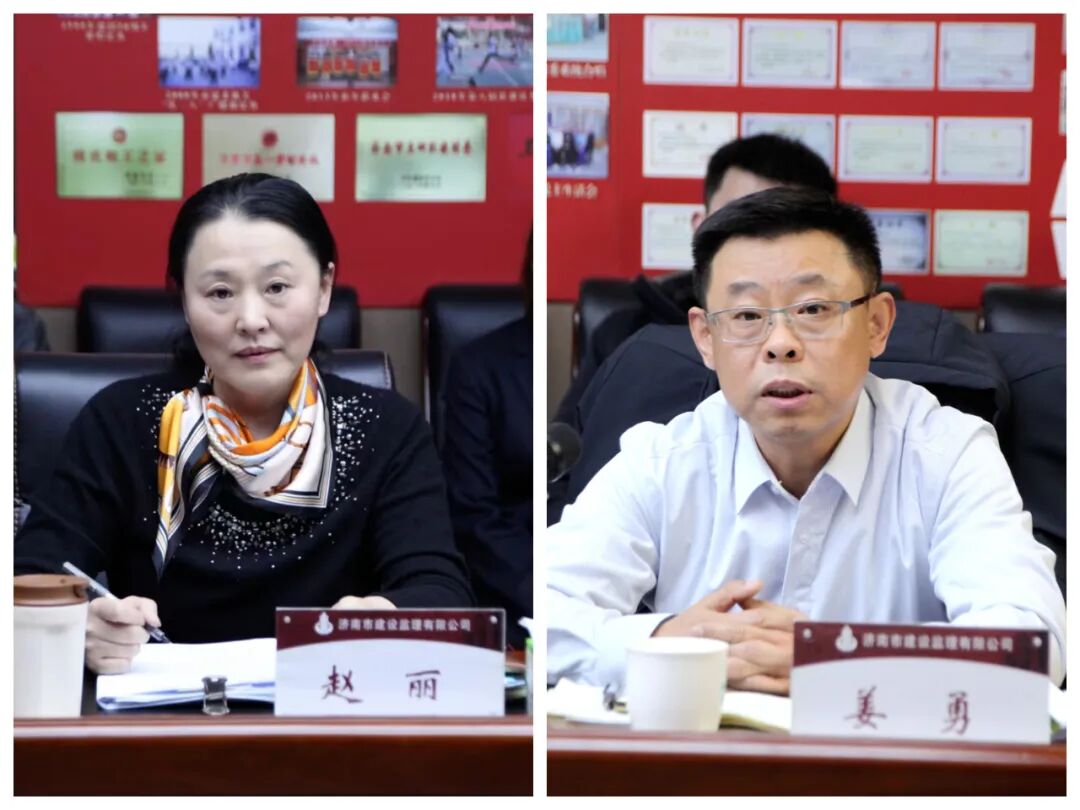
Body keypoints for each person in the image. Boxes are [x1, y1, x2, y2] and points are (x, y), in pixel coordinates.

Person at [546, 187, 1065, 693]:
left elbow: (1032, 648)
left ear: (876, 325)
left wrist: (835, 660)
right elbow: (547, 618)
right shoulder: (663, 461)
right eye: (747, 316)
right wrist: (670, 644)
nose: (780, 344)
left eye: (814, 310)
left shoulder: (946, 454)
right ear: (706, 338)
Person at [14, 173, 474, 673]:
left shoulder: (384, 427)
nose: (251, 319)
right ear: (184, 300)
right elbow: (30, 577)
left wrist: (385, 615)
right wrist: (77, 624)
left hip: (330, 702)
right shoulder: (124, 421)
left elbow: (441, 594)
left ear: (323, 289)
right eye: (220, 293)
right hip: (159, 713)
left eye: (277, 287)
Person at [549, 133, 838, 517]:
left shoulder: (845, 340)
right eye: (739, 222)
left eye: (786, 229)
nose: (761, 248)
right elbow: (566, 469)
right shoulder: (627, 334)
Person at [442, 232, 533, 648]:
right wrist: (539, 591)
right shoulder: (478, 368)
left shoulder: (603, 354)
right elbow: (473, 513)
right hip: (510, 585)